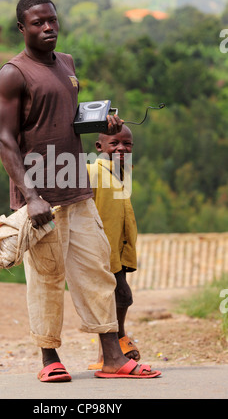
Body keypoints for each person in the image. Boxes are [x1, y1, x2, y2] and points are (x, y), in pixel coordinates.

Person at [0, 0, 161, 381]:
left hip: (76, 187)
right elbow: (4, 139)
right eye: (38, 23)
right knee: (47, 277)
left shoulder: (67, 64)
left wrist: (105, 125)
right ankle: (49, 360)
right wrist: (31, 197)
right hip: (40, 197)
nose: (48, 27)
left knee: (97, 271)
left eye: (52, 20)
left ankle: (113, 359)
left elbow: (68, 121)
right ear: (22, 28)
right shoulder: (12, 73)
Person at [87, 125, 140, 370]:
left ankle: (105, 354)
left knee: (118, 299)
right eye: (115, 143)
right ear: (99, 147)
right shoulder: (93, 172)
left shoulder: (121, 174)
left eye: (127, 144)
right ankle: (114, 347)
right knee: (122, 297)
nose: (122, 148)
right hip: (101, 251)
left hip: (117, 251)